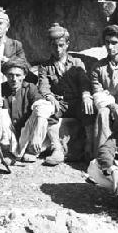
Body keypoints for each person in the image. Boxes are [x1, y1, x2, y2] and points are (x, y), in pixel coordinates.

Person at [38, 23, 94, 165]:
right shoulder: (45, 66)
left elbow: (84, 82)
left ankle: (90, 147)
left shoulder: (76, 62)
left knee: (88, 111)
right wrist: (50, 97)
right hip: (60, 103)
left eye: (61, 45)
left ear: (67, 44)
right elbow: (43, 86)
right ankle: (57, 149)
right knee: (50, 114)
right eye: (54, 46)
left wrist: (86, 96)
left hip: (76, 101)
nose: (58, 49)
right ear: (49, 46)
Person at [0, 59, 51, 168]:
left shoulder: (30, 88)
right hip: (8, 134)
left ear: (24, 76)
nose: (14, 79)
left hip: (26, 132)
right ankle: (5, 151)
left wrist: (37, 135)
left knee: (42, 109)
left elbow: (42, 105)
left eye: (18, 75)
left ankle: (31, 151)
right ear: (5, 75)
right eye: (10, 75)